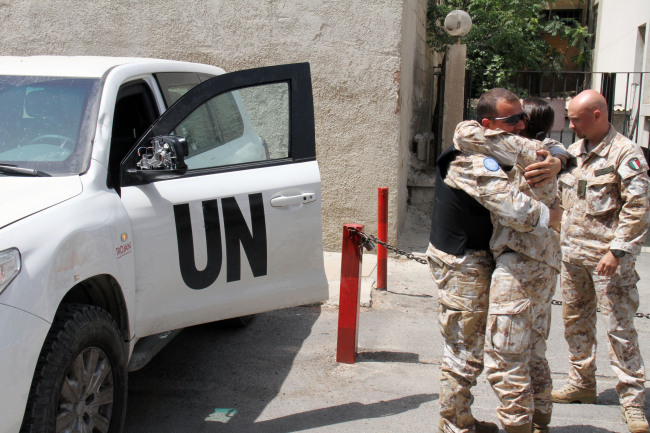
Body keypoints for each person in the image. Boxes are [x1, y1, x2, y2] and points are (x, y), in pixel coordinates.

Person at [428, 89, 563, 433]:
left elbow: (547, 148)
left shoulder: (499, 148)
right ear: (487, 125)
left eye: (524, 117)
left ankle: (462, 419)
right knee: (465, 349)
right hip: (462, 262)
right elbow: (514, 209)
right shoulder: (469, 159)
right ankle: (456, 426)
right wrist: (552, 216)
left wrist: (557, 158)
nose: (522, 124)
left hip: (481, 256)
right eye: (513, 120)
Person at [552, 89, 650, 433]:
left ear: (597, 115)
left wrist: (617, 250)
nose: (570, 124)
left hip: (609, 261)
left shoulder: (626, 153)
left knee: (619, 330)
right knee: (575, 322)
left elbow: (637, 208)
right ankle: (582, 383)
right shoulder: (573, 153)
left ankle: (633, 400)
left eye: (576, 118)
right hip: (573, 255)